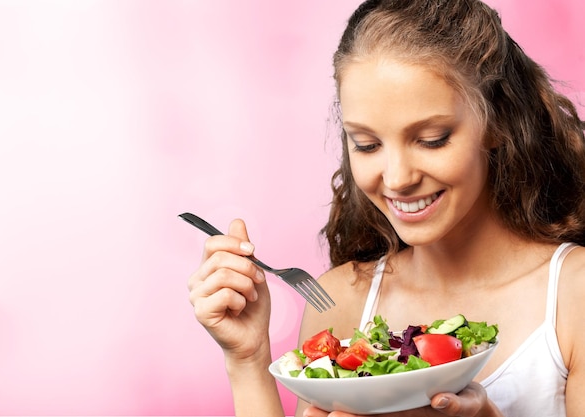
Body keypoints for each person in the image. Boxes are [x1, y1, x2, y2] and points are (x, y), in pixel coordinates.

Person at [186, 0, 585, 416]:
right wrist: (247, 359)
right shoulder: (342, 300)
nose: (396, 178)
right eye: (367, 144)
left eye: (431, 139)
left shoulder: (574, 293)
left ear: (497, 123)